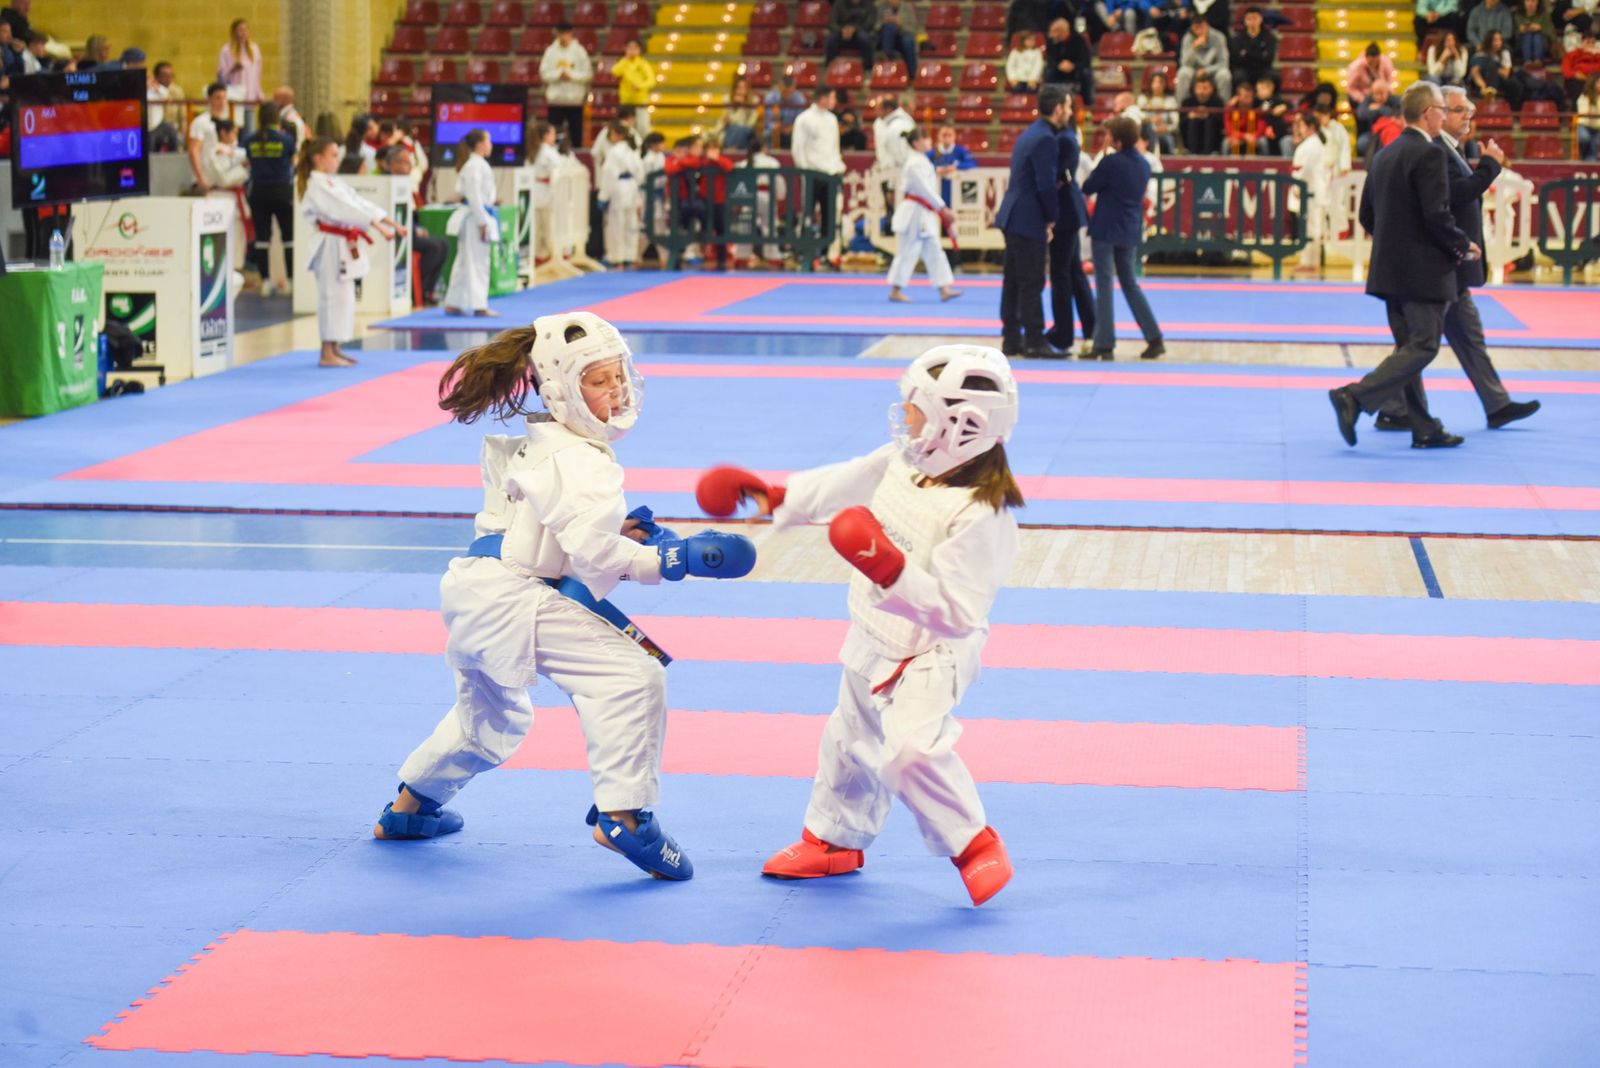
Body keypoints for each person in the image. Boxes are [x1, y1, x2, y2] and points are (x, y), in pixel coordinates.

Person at [373, 312, 757, 885]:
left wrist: (621, 533)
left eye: (618, 375)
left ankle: (408, 811)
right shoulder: (581, 458)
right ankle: (623, 817)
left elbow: (559, 534)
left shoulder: (548, 439)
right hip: (512, 597)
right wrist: (671, 561)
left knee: (492, 716)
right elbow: (595, 555)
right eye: (598, 380)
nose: (617, 390)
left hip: (473, 590)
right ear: (558, 389)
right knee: (631, 677)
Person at [696, 345, 1022, 908]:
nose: (904, 416)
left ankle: (974, 844)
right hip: (872, 629)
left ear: (959, 425)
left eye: (915, 407)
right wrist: (778, 496)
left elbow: (960, 614)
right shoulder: (905, 460)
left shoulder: (978, 514)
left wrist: (888, 567)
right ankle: (833, 841)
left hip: (932, 653)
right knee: (849, 740)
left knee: (910, 751)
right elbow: (850, 481)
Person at [1375, 87, 1540, 431]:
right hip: (1441, 262)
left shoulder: (1450, 150)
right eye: (1460, 110)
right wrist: (1489, 168)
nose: (1468, 117)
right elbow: (1452, 199)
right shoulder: (1431, 151)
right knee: (1420, 344)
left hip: (1452, 262)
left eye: (1470, 110)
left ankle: (1496, 403)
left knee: (1453, 337)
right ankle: (1383, 402)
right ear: (1436, 112)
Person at [1328, 82, 1478, 449]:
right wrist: (1462, 245)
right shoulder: (1429, 154)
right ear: (1428, 113)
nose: (1445, 115)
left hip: (1388, 270)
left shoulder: (1384, 153)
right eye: (1443, 108)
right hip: (1422, 273)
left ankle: (1424, 426)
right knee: (1424, 346)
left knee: (1408, 348)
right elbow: (1436, 215)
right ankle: (1355, 396)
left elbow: (1366, 214)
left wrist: (1393, 244)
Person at [296, 137, 404, 367]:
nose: (338, 160)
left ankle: (335, 347)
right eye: (333, 155)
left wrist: (390, 223)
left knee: (344, 297)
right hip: (329, 245)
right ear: (318, 159)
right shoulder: (317, 184)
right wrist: (378, 227)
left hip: (342, 244)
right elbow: (347, 210)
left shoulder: (333, 182)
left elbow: (360, 203)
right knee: (331, 297)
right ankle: (326, 351)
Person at [995, 84, 1068, 358]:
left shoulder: (1030, 133)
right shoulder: (1046, 138)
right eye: (1068, 107)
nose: (1070, 112)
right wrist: (1052, 217)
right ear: (1058, 108)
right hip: (1028, 217)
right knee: (1031, 281)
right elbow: (1045, 184)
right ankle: (1035, 340)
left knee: (1013, 280)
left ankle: (1012, 338)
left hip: (1014, 214)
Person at [1084, 116, 1164, 360]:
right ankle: (1154, 337)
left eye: (1109, 135)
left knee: (1105, 286)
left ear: (1116, 139)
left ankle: (1104, 343)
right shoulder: (1143, 164)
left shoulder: (1110, 162)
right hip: (1129, 230)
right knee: (1130, 284)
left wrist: (1106, 154)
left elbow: (1089, 187)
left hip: (1106, 230)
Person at [886, 126, 960, 303]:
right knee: (907, 251)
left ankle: (943, 288)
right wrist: (943, 208)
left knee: (934, 249)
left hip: (923, 212)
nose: (929, 142)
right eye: (925, 139)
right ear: (916, 143)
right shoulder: (914, 163)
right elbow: (925, 190)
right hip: (913, 212)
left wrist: (940, 208)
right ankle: (896, 289)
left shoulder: (922, 161)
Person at [1047, 106, 1096, 354]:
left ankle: (1063, 333)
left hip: (1064, 213)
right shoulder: (1067, 136)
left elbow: (1058, 177)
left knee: (1061, 274)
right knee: (1074, 272)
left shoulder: (1064, 138)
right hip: (1070, 210)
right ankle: (1092, 329)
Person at [379, 145, 446, 304]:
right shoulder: (385, 184)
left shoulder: (407, 184)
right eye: (403, 162)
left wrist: (418, 228)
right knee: (434, 248)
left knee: (443, 244)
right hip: (397, 233)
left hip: (410, 228)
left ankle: (426, 290)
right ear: (390, 164)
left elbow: (412, 213)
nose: (407, 167)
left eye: (409, 163)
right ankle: (415, 288)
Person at [443, 129, 499, 318]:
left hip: (476, 216)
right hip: (476, 218)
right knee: (478, 262)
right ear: (481, 144)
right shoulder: (475, 166)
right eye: (489, 141)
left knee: (465, 262)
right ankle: (479, 306)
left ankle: (453, 302)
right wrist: (483, 221)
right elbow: (474, 196)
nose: (491, 145)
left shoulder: (476, 164)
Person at [244, 101, 296, 296]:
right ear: (277, 118)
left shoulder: (250, 140)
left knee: (262, 239)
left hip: (258, 193)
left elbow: (248, 160)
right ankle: (290, 280)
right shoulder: (286, 140)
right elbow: (292, 160)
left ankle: (265, 281)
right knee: (288, 237)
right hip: (282, 191)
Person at [792, 86, 847, 265]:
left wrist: (838, 166)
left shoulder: (832, 119)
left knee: (829, 214)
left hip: (830, 172)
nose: (834, 101)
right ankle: (802, 250)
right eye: (832, 97)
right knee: (808, 212)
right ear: (822, 98)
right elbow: (798, 148)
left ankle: (826, 252)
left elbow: (834, 147)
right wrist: (804, 171)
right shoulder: (804, 119)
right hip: (812, 172)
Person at [1289, 110, 1330, 271]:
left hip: (1311, 189)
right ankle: (1309, 261)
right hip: (1310, 188)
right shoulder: (1311, 143)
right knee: (1310, 226)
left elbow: (1307, 169)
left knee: (1312, 227)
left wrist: (1300, 185)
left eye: (1302, 126)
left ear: (1311, 127)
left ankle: (1309, 262)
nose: (1300, 129)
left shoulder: (1313, 144)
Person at [541, 22, 592, 149]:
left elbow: (588, 74)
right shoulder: (550, 51)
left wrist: (571, 76)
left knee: (576, 134)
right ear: (557, 34)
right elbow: (544, 73)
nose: (564, 37)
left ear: (571, 33)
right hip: (556, 100)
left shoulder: (579, 51)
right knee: (553, 134)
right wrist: (559, 75)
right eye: (561, 34)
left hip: (574, 101)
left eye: (566, 33)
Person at [874, 91, 916, 230]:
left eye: (879, 109)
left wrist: (892, 185)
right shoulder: (885, 123)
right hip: (889, 173)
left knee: (900, 213)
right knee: (893, 212)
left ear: (888, 109)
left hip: (897, 176)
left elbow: (900, 157)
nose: (876, 112)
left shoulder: (898, 126)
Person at [218, 18, 263, 131]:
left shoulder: (254, 49)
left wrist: (259, 94)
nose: (243, 33)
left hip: (249, 98)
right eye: (240, 30)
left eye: (245, 30)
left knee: (249, 130)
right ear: (234, 32)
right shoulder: (226, 50)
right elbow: (221, 76)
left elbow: (256, 76)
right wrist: (232, 68)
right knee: (234, 132)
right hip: (235, 99)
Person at [188, 83, 233, 194]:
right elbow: (194, 151)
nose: (222, 102)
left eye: (224, 98)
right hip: (206, 181)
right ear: (209, 99)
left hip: (223, 181)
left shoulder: (228, 123)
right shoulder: (201, 122)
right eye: (218, 98)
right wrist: (200, 179)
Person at [1176, 17, 1231, 103]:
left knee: (1224, 75)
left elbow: (1224, 63)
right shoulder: (1188, 38)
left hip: (1213, 71)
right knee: (1183, 73)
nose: (1199, 31)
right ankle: (1181, 109)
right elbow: (1184, 63)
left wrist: (1206, 70)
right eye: (1196, 28)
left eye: (1202, 27)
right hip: (1194, 71)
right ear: (1192, 28)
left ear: (1207, 26)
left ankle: (1224, 109)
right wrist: (1193, 48)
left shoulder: (1218, 37)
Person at [530, 121, 562, 261]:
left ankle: (537, 255)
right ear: (546, 135)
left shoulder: (533, 150)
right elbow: (555, 174)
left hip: (535, 190)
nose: (554, 136)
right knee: (548, 226)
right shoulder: (549, 152)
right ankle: (549, 255)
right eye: (552, 133)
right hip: (546, 190)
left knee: (536, 227)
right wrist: (554, 191)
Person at [1044, 18, 1094, 105]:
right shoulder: (1051, 42)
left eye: (1054, 32)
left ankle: (1087, 103)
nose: (1051, 35)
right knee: (1048, 73)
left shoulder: (1079, 40)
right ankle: (1049, 102)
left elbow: (1085, 60)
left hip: (1076, 69)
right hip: (1058, 69)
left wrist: (1073, 66)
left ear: (1062, 31)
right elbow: (1050, 59)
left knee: (1086, 73)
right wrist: (1059, 65)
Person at [612, 38, 655, 135]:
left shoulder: (643, 64)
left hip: (640, 103)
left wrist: (640, 86)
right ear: (625, 49)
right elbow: (614, 72)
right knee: (625, 130)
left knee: (643, 129)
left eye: (635, 48)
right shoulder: (623, 62)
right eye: (629, 48)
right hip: (626, 103)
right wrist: (625, 59)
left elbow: (651, 80)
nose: (632, 50)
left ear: (639, 50)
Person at [929, 123, 977, 206]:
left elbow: (973, 163)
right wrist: (936, 169)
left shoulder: (961, 151)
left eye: (950, 135)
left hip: (957, 192)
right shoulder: (932, 153)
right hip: (936, 192)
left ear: (954, 136)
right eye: (944, 135)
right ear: (939, 136)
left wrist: (956, 167)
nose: (947, 138)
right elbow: (923, 165)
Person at [1230, 6, 1277, 92]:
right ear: (1245, 21)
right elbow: (1236, 58)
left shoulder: (1270, 38)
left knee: (1274, 76)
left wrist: (1246, 54)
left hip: (1263, 69)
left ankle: (1273, 101)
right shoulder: (1237, 39)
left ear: (1261, 19)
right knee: (1237, 76)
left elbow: (1268, 58)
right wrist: (1260, 54)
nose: (1252, 22)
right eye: (1249, 19)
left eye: (1255, 18)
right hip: (1244, 69)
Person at [1180, 72, 1224, 154]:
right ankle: (1192, 152)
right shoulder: (1187, 102)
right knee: (1193, 122)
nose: (1202, 91)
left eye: (1205, 88)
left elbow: (1222, 123)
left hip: (1213, 136)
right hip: (1191, 133)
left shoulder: (1218, 102)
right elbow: (1181, 123)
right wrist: (1190, 116)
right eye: (1199, 88)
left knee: (1210, 122)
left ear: (1212, 89)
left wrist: (1209, 115)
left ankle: (1210, 152)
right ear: (1194, 89)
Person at [146, 61, 185, 152]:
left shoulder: (177, 91)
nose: (168, 79)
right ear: (156, 77)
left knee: (173, 133)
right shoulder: (149, 90)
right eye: (164, 76)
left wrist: (182, 132)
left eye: (171, 76)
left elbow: (182, 117)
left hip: (169, 127)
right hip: (152, 126)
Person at [825, 0, 878, 68]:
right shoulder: (839, 3)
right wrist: (842, 30)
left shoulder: (869, 4)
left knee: (865, 39)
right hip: (841, 31)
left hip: (861, 30)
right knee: (831, 40)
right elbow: (832, 22)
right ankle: (829, 66)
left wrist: (855, 29)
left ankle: (868, 68)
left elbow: (870, 22)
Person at [714, 74, 759, 150]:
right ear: (734, 89)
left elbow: (751, 123)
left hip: (746, 130)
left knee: (738, 130)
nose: (741, 91)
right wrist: (734, 106)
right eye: (738, 88)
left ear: (747, 89)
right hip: (730, 130)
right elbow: (725, 120)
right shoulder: (728, 100)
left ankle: (731, 150)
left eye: (743, 88)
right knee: (726, 132)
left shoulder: (753, 101)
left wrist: (743, 106)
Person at [1355, 81, 1400, 156]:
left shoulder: (1395, 100)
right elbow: (1361, 114)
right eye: (1376, 94)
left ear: (1388, 92)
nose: (1379, 97)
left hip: (1392, 133)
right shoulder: (1368, 100)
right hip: (1373, 135)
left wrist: (1379, 108)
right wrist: (1381, 111)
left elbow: (1396, 115)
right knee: (1362, 142)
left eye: (1382, 93)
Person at [1140, 70, 1180, 155]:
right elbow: (1140, 119)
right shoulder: (1143, 99)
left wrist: (1167, 128)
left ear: (1165, 85)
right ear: (1150, 84)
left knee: (1167, 142)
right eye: (1154, 82)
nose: (1157, 85)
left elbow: (1175, 123)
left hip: (1164, 133)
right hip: (1147, 134)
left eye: (1160, 82)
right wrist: (1151, 121)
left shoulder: (1171, 100)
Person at [878, 0, 920, 79]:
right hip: (885, 38)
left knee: (908, 42)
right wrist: (884, 22)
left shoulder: (907, 7)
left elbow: (913, 29)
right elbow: (875, 27)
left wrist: (901, 24)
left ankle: (912, 75)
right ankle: (887, 56)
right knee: (890, 27)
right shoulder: (881, 6)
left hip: (902, 36)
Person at [763, 74, 806, 149]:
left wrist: (791, 128)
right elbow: (768, 123)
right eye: (785, 91)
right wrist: (776, 121)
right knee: (768, 134)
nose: (787, 94)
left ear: (794, 88)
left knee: (800, 134)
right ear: (779, 87)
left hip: (792, 130)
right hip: (775, 130)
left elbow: (801, 122)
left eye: (790, 91)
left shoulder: (800, 100)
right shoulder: (770, 98)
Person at [1224, 79, 1266, 154]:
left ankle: (1265, 163)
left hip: (1253, 137)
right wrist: (1244, 136)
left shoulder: (1257, 108)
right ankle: (1223, 164)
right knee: (1226, 142)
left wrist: (1254, 136)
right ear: (1238, 97)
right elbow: (1228, 130)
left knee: (1263, 141)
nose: (1249, 99)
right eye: (1246, 96)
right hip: (1237, 136)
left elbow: (1261, 128)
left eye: (1250, 96)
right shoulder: (1230, 109)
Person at [1468, 31, 1513, 99]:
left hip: (1499, 81)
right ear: (1489, 42)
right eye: (1495, 40)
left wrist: (1493, 69)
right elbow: (1475, 72)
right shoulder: (1481, 54)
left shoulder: (1504, 53)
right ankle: (1488, 92)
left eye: (1500, 40)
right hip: (1481, 83)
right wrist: (1483, 86)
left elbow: (1505, 74)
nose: (1498, 43)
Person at [1578, 72, 1600, 159]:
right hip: (1585, 125)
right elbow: (1584, 113)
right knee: (1584, 138)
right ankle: (1582, 156)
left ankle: (1590, 162)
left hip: (1598, 128)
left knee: (1595, 146)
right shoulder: (1584, 96)